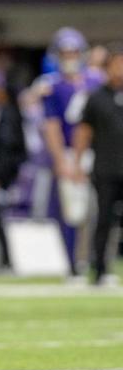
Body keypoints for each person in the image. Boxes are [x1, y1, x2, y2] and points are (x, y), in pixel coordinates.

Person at [35, 27, 103, 277]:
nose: (70, 56)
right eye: (65, 52)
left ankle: (95, 261)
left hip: (94, 152)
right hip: (67, 150)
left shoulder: (96, 80)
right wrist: (61, 159)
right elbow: (51, 125)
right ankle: (74, 265)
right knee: (70, 212)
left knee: (96, 211)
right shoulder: (51, 85)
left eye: (74, 51)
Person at [72, 43, 123, 286]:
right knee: (103, 220)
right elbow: (83, 131)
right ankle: (100, 270)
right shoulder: (96, 97)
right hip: (106, 169)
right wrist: (77, 162)